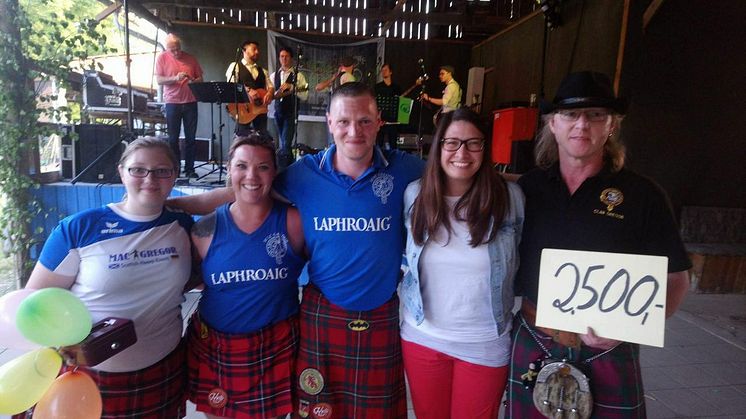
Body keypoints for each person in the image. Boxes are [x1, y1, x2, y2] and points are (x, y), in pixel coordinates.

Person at [167, 82, 426, 418]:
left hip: (381, 313)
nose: (354, 131)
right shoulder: (305, 173)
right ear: (329, 123)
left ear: (379, 123)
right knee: (319, 408)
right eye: (344, 121)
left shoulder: (405, 169)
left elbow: (455, 173)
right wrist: (165, 206)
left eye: (364, 121)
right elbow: (243, 190)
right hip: (322, 312)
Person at [506, 71, 691, 418]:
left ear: (612, 126)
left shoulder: (642, 195)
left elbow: (676, 280)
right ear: (553, 124)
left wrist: (628, 329)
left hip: (609, 349)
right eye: (570, 115)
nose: (582, 125)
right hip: (535, 336)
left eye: (595, 115)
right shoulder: (528, 190)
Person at [24, 137, 193, 417]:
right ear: (121, 171)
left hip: (164, 371)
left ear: (174, 175)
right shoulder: (78, 228)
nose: (150, 178)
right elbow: (34, 305)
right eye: (138, 169)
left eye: (162, 171)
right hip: (88, 377)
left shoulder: (182, 224)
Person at [400, 108, 524, 419]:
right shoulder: (416, 195)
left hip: (484, 342)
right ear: (438, 146)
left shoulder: (509, 199)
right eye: (452, 143)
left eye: (473, 143)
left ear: (485, 147)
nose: (462, 153)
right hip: (422, 337)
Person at [186, 132, 306, 419]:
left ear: (274, 173)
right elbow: (189, 280)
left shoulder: (295, 222)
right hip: (217, 346)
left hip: (276, 346)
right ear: (229, 169)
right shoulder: (205, 229)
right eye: (241, 166)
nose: (251, 175)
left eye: (263, 167)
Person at [155, 33, 204, 178]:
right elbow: (159, 80)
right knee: (172, 139)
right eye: (172, 50)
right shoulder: (162, 58)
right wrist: (175, 78)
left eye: (178, 48)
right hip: (172, 102)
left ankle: (190, 169)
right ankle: (175, 169)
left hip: (190, 101)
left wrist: (193, 81)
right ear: (166, 48)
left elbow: (200, 78)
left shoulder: (191, 58)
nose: (176, 52)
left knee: (191, 138)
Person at [271, 47, 309, 169]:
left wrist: (292, 87)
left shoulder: (298, 76)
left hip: (291, 112)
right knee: (283, 143)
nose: (284, 59)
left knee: (286, 142)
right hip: (277, 112)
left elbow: (305, 95)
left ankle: (285, 171)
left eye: (286, 56)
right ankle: (290, 166)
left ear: (291, 58)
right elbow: (271, 94)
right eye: (281, 56)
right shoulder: (274, 75)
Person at [226, 41, 275, 135]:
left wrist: (269, 93)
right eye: (254, 49)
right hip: (243, 110)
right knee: (241, 139)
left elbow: (271, 86)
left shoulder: (263, 71)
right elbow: (231, 86)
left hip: (259, 110)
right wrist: (248, 90)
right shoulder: (235, 66)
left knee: (261, 139)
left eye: (258, 49)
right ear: (244, 50)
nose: (257, 52)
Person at [374, 63, 403, 150]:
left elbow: (400, 104)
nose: (383, 72)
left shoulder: (397, 88)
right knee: (378, 145)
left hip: (392, 122)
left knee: (393, 145)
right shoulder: (377, 87)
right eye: (382, 71)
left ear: (391, 72)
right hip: (381, 121)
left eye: (386, 70)